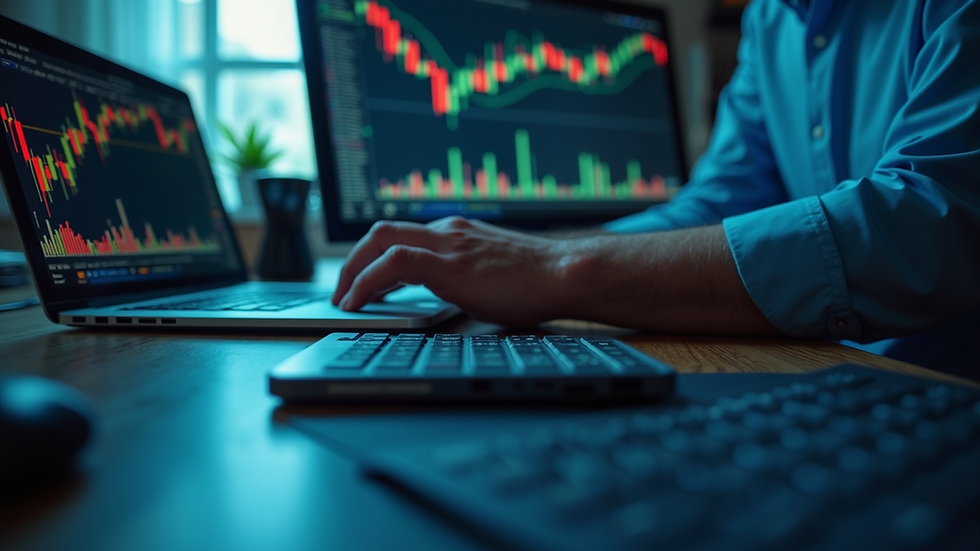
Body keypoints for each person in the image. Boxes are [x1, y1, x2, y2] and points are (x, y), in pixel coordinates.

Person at [332, 0, 980, 376]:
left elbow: (928, 225)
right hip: (841, 376)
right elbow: (719, 201)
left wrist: (559, 267)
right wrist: (513, 258)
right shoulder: (770, 21)